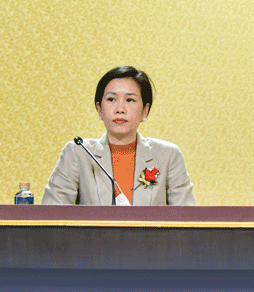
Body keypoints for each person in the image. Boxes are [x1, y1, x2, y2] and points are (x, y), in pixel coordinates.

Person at [42, 66, 195, 206]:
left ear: (145, 111)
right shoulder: (77, 153)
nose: (120, 109)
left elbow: (186, 218)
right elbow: (53, 212)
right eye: (111, 99)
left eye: (130, 100)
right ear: (99, 109)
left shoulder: (168, 156)